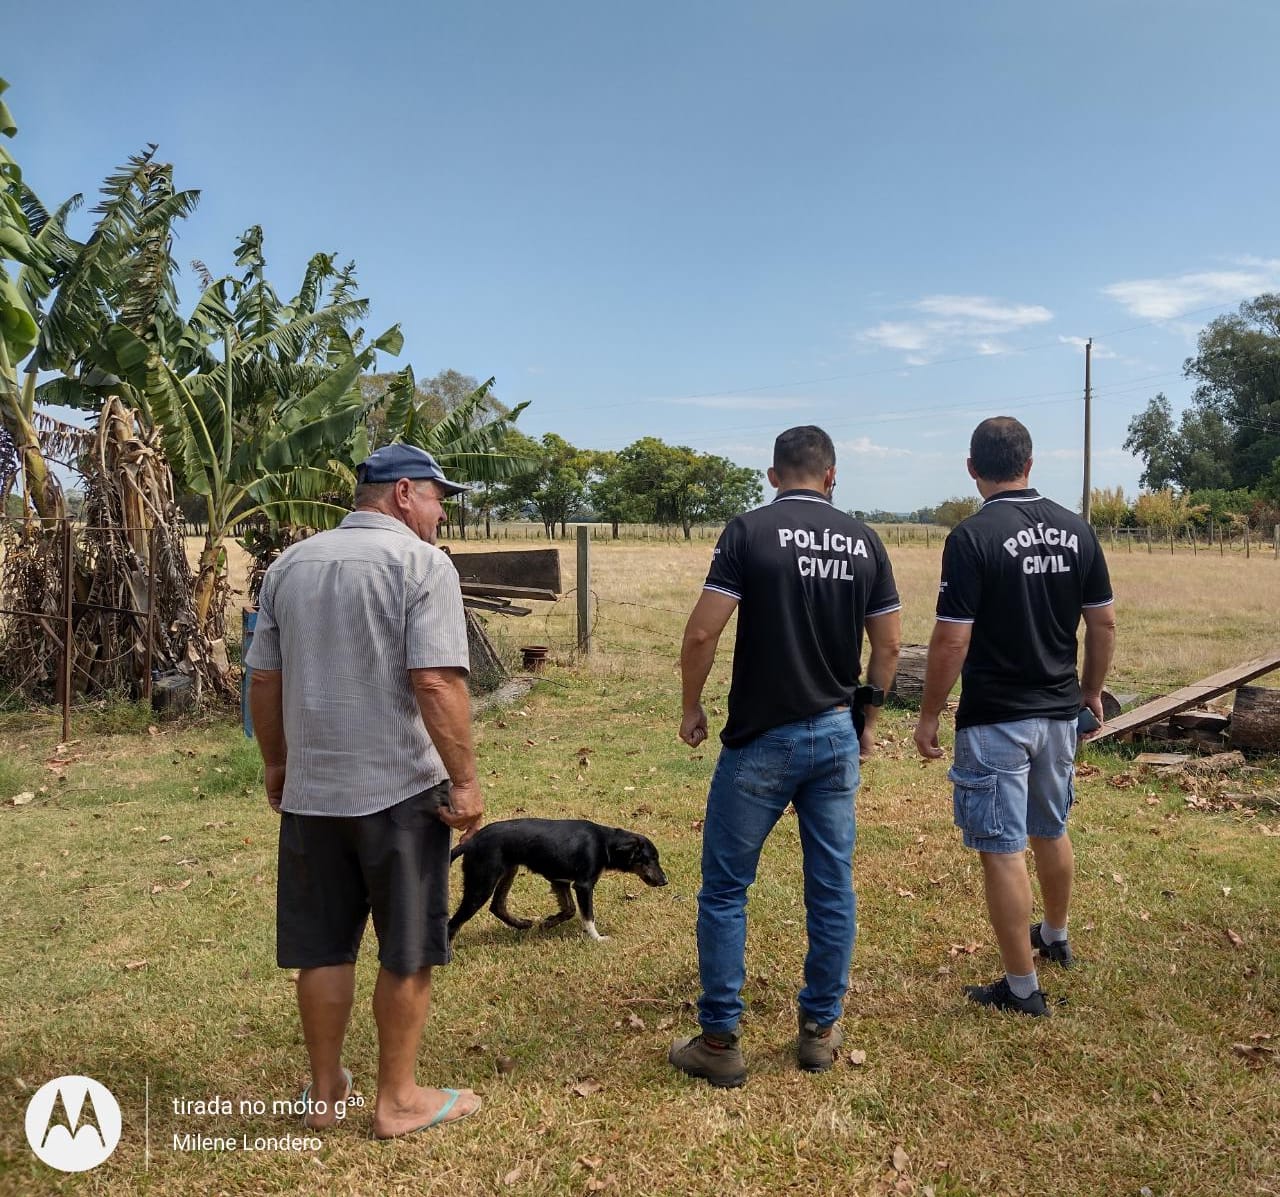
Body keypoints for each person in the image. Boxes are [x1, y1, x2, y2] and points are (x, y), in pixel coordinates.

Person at [246, 443, 486, 1137]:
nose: (442, 513)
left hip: (313, 791)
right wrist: (465, 781)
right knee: (407, 946)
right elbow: (436, 679)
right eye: (440, 497)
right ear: (404, 492)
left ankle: (324, 1093)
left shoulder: (289, 565)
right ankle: (398, 1099)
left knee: (322, 945)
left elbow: (265, 679)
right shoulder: (422, 564)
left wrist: (277, 765)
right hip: (401, 790)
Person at [669, 425, 902, 1086]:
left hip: (760, 740)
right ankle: (820, 1032)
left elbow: (702, 631)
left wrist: (692, 705)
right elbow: (886, 647)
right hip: (834, 733)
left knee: (724, 889)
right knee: (831, 886)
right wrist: (869, 716)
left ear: (773, 475)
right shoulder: (865, 540)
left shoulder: (748, 532)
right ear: (833, 476)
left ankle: (720, 1042)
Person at [913, 417, 1116, 1016]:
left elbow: (951, 641)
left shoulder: (972, 537)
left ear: (972, 469)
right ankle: (1054, 934)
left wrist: (929, 714)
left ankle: (1021, 988)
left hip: (996, 717)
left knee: (1002, 849)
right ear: (1030, 461)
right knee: (1050, 829)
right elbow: (1102, 622)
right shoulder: (1077, 530)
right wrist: (1090, 692)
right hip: (1057, 714)